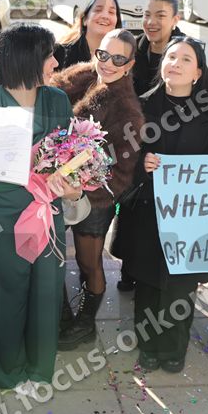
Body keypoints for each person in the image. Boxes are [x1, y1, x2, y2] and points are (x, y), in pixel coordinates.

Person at [0, 23, 81, 392]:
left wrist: (74, 184)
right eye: (49, 56)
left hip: (45, 210)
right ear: (27, 59)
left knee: (46, 292)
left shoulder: (57, 100)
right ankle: (4, 371)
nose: (56, 62)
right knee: (2, 293)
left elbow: (70, 157)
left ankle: (39, 368)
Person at [126, 36, 208, 373]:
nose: (175, 63)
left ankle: (174, 349)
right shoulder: (139, 107)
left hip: (194, 218)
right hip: (148, 212)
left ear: (198, 72)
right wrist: (141, 164)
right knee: (147, 284)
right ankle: (147, 347)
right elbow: (121, 158)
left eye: (185, 59)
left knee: (180, 287)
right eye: (171, 57)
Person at [49, 29, 144, 350]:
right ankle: (61, 315)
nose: (108, 63)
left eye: (118, 59)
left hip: (95, 201)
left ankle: (85, 324)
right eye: (103, 54)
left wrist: (83, 191)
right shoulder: (80, 75)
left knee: (89, 263)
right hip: (55, 189)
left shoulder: (128, 111)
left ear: (130, 64)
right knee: (51, 255)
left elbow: (120, 174)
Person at [113, 0, 184, 292]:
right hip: (135, 140)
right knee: (132, 210)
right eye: (147, 15)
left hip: (170, 141)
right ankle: (129, 268)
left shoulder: (184, 51)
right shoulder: (134, 48)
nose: (151, 22)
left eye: (160, 16)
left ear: (175, 19)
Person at [54, 0, 122, 71]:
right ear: (85, 19)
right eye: (98, 10)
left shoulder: (123, 56)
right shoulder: (60, 53)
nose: (105, 16)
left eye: (111, 12)